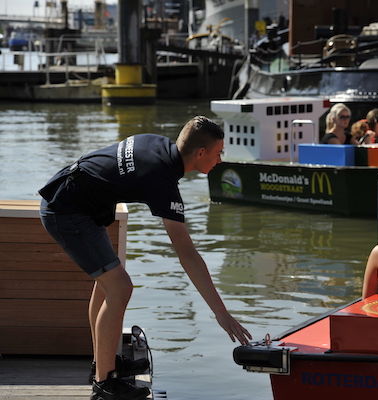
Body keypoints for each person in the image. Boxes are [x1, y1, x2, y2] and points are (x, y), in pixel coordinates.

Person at [39, 116, 252, 400]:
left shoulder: (158, 144)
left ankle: (101, 366)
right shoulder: (162, 178)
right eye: (218, 153)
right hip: (66, 209)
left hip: (74, 199)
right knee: (120, 287)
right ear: (201, 153)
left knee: (107, 285)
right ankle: (104, 385)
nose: (220, 160)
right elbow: (187, 254)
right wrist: (221, 313)